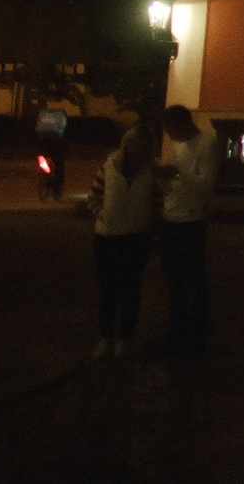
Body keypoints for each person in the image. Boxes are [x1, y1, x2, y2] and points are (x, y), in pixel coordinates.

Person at [85, 127, 162, 359]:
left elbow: (158, 203)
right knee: (108, 289)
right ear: (126, 145)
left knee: (130, 290)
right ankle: (105, 337)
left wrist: (153, 232)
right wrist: (102, 214)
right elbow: (94, 196)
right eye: (136, 146)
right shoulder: (109, 167)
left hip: (137, 236)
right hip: (107, 236)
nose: (139, 151)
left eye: (144, 147)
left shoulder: (152, 171)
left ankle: (125, 338)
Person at [155, 105, 217, 355]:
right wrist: (163, 180)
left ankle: (196, 335)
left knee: (193, 280)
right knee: (174, 281)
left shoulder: (207, 144)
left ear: (183, 124)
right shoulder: (178, 145)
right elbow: (174, 185)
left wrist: (178, 173)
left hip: (191, 220)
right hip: (170, 217)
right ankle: (176, 331)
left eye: (171, 131)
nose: (170, 137)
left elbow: (206, 185)